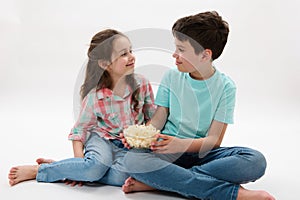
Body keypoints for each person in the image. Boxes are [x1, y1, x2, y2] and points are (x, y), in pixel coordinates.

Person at [121, 11, 275, 200]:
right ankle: (233, 194)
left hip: (202, 152)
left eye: (181, 50)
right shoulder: (171, 76)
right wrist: (137, 137)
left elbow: (213, 140)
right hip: (166, 150)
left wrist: (182, 145)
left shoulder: (226, 87)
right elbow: (158, 120)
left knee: (255, 161)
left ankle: (164, 181)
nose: (174, 55)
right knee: (132, 160)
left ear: (204, 55)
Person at [8, 29, 156, 187]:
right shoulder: (94, 97)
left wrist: (143, 140)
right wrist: (80, 163)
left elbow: (152, 119)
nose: (131, 56)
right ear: (105, 64)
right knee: (93, 168)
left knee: (123, 177)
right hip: (102, 139)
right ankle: (40, 170)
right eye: (123, 54)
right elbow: (79, 132)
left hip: (129, 145)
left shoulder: (142, 84)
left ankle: (67, 168)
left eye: (130, 51)